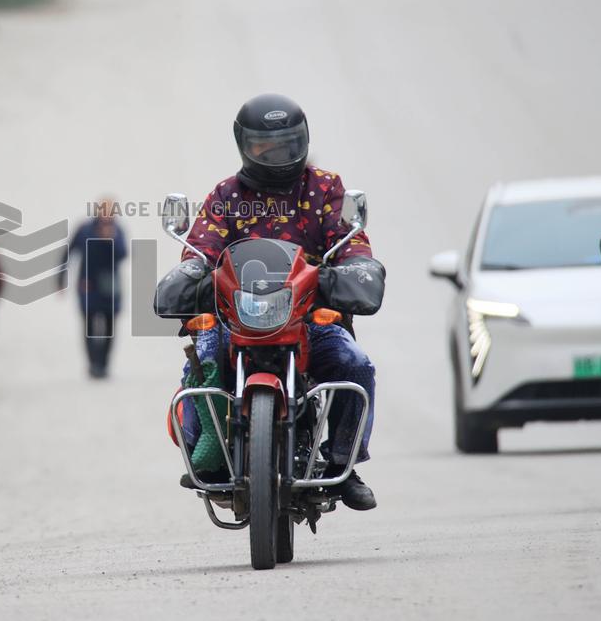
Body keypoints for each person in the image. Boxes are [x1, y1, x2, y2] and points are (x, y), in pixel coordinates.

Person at [177, 93, 382, 510]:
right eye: (264, 146)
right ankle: (207, 460)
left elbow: (350, 241)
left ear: (303, 140)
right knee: (202, 360)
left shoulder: (325, 187)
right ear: (244, 144)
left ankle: (344, 463)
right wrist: (190, 272)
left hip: (307, 318)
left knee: (355, 365)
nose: (277, 154)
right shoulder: (226, 195)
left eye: (287, 144)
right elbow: (201, 248)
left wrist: (356, 266)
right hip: (237, 318)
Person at [61, 200, 128, 379]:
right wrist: (60, 280)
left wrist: (111, 240)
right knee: (89, 327)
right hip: (88, 286)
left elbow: (123, 254)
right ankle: (93, 364)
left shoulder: (117, 231)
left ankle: (104, 364)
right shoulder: (85, 229)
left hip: (110, 287)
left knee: (109, 328)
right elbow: (68, 252)